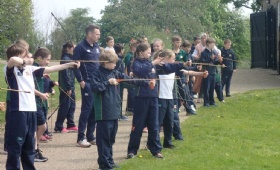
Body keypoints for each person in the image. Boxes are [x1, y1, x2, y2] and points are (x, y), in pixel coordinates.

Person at [5, 43, 78, 170]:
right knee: (16, 144)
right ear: (19, 56)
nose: (29, 55)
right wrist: (25, 60)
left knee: (29, 144)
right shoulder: (10, 69)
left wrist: (70, 65)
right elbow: (12, 60)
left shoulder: (30, 69)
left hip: (31, 110)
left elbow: (51, 69)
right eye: (25, 54)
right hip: (18, 110)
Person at [91, 51, 132, 170]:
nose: (115, 64)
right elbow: (95, 87)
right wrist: (108, 83)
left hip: (114, 111)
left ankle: (109, 160)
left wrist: (139, 80)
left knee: (111, 138)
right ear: (105, 63)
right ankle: (104, 164)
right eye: (113, 62)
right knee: (103, 139)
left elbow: (126, 79)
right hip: (104, 112)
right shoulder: (97, 73)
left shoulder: (115, 72)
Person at [127, 43, 163, 159]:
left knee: (154, 125)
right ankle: (132, 150)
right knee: (137, 125)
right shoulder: (135, 63)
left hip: (153, 96)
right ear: (141, 52)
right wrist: (153, 63)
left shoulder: (150, 62)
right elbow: (139, 72)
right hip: (141, 97)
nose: (150, 54)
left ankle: (156, 150)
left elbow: (166, 68)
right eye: (148, 52)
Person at [73, 24, 101, 147]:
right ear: (89, 34)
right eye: (97, 34)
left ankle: (90, 136)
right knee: (86, 110)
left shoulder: (97, 47)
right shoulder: (80, 47)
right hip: (87, 82)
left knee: (95, 110)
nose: (98, 36)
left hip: (96, 83)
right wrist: (80, 80)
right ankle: (80, 138)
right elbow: (75, 65)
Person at [54, 42, 78, 133]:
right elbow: (65, 75)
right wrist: (68, 87)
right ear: (68, 48)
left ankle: (70, 124)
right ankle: (59, 125)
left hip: (71, 85)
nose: (74, 50)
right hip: (66, 86)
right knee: (65, 106)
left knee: (72, 105)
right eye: (73, 48)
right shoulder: (65, 59)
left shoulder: (70, 58)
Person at [200, 37, 223, 107]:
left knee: (212, 87)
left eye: (214, 43)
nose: (213, 45)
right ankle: (206, 102)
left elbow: (214, 62)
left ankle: (212, 101)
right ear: (208, 44)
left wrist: (219, 61)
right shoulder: (203, 52)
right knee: (207, 88)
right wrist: (210, 58)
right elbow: (203, 62)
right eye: (212, 43)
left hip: (213, 72)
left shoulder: (214, 52)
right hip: (207, 72)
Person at [114, 43, 128, 121]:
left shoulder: (119, 58)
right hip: (118, 80)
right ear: (121, 50)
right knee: (119, 98)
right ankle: (118, 115)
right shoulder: (118, 60)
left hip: (120, 80)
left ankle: (119, 114)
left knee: (120, 97)